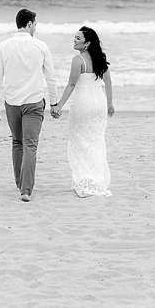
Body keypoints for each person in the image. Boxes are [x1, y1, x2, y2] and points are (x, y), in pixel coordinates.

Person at [0, 9, 60, 202]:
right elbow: (51, 77)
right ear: (29, 24)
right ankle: (26, 190)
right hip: (34, 102)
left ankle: (20, 183)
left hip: (12, 103)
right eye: (35, 24)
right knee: (30, 145)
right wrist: (54, 102)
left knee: (17, 142)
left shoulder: (4, 46)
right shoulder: (41, 46)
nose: (36, 27)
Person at [54, 26, 114, 197]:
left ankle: (85, 180)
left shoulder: (78, 60)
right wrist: (110, 103)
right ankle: (96, 180)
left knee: (80, 141)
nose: (74, 40)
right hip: (99, 104)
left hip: (83, 104)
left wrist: (59, 105)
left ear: (87, 43)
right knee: (96, 142)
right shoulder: (100, 59)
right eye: (75, 37)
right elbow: (108, 82)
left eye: (78, 38)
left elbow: (71, 84)